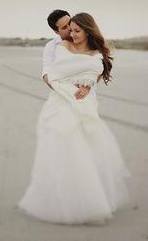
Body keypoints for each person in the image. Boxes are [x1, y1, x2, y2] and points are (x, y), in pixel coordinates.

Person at [18, 12, 132, 225]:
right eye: (66, 29)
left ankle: (91, 200)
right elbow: (50, 74)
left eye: (74, 28)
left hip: (86, 105)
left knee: (87, 151)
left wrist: (88, 82)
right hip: (61, 103)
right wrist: (70, 88)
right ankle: (63, 201)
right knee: (62, 151)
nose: (70, 33)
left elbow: (96, 69)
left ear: (86, 30)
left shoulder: (96, 52)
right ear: (56, 30)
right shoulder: (56, 47)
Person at [42, 9, 94, 100]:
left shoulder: (86, 40)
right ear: (56, 32)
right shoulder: (51, 46)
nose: (70, 28)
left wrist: (87, 86)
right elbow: (46, 74)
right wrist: (66, 93)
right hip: (62, 97)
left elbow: (99, 66)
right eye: (64, 27)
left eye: (70, 23)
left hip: (87, 97)